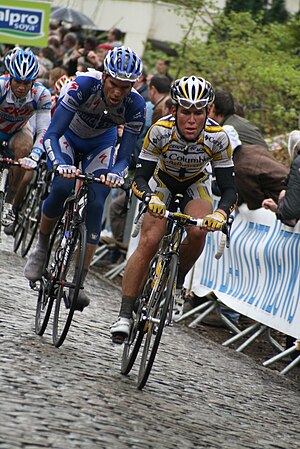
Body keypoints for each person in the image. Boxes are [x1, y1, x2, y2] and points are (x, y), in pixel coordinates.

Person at [110, 75, 237, 343]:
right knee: (150, 240)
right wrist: (149, 198)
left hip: (195, 184)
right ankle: (124, 315)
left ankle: (176, 283)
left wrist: (220, 214)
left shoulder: (218, 138)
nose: (192, 120)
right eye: (186, 112)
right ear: (175, 109)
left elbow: (229, 189)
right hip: (162, 182)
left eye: (199, 113)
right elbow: (140, 177)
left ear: (208, 112)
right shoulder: (160, 130)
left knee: (199, 230)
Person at [24, 46, 146, 312]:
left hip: (101, 144)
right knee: (62, 186)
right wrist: (59, 165)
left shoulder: (136, 105)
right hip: (68, 137)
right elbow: (52, 135)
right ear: (104, 77)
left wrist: (116, 173)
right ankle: (42, 248)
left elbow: (125, 157)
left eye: (125, 88)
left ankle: (79, 279)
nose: (118, 93)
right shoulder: (82, 86)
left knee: (97, 199)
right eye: (114, 85)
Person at [208, 90, 288, 210]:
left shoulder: (225, 132)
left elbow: (254, 199)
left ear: (213, 107)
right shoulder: (240, 123)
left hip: (268, 189)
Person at [0, 48, 51, 232]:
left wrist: (35, 155)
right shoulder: (1, 86)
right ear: (10, 77)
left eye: (27, 83)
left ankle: (9, 201)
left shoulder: (41, 94)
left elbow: (44, 128)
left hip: (18, 130)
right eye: (18, 82)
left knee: (25, 148)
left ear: (34, 82)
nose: (22, 87)